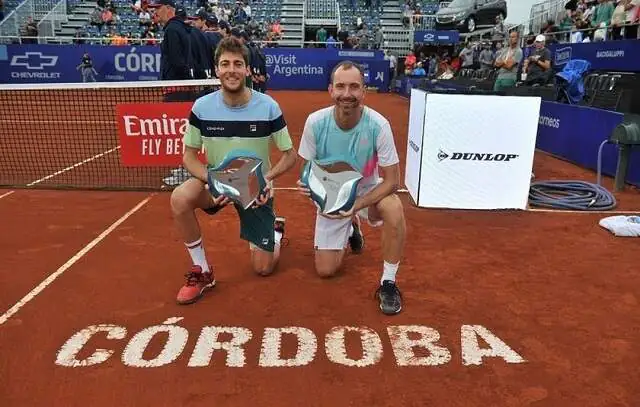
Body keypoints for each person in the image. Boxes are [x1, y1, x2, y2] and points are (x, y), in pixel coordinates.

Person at [171, 36, 297, 305]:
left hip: (255, 190)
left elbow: (290, 156)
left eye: (238, 64)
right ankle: (202, 270)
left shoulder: (268, 106)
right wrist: (213, 179)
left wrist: (266, 179)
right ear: (216, 69)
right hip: (217, 183)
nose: (231, 70)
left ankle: (274, 231)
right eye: (225, 64)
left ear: (247, 70)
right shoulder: (202, 108)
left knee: (263, 268)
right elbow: (189, 157)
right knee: (180, 197)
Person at [296, 61, 406, 316]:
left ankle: (388, 283)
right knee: (325, 271)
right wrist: (311, 189)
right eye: (341, 86)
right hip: (332, 193)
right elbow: (307, 171)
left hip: (367, 190)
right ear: (330, 90)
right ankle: (351, 229)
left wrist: (354, 205)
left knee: (393, 206)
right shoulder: (316, 122)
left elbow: (392, 181)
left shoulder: (379, 125)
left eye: (354, 87)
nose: (347, 94)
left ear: (364, 92)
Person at [151, 0, 192, 81]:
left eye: (158, 8)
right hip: (181, 84)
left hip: (175, 85)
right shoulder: (180, 26)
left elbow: (177, 61)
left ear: (168, 8)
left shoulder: (171, 29)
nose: (155, 12)